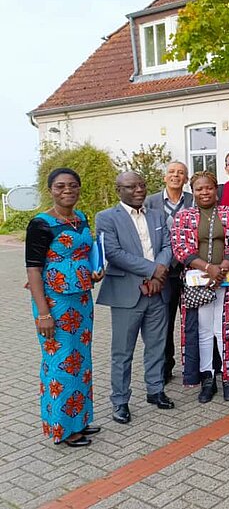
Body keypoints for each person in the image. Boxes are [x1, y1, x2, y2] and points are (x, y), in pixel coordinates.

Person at [25, 168, 103, 447]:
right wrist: (43, 313)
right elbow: (33, 270)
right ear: (51, 190)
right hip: (54, 304)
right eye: (60, 186)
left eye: (72, 185)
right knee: (60, 365)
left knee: (80, 362)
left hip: (81, 301)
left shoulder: (80, 218)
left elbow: (85, 253)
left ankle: (79, 420)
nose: (67, 190)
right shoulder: (40, 224)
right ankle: (63, 429)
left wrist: (93, 271)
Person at [96, 171, 175, 424]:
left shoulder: (157, 214)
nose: (139, 190)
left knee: (157, 346)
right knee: (122, 352)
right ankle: (120, 401)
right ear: (118, 190)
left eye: (142, 185)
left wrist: (158, 273)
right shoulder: (106, 217)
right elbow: (113, 253)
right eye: (131, 186)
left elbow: (168, 246)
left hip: (158, 291)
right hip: (126, 294)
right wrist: (152, 270)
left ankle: (155, 390)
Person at [170, 171, 229, 403]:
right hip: (198, 282)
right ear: (193, 192)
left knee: (224, 329)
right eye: (199, 189)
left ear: (216, 190)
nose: (204, 192)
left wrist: (223, 269)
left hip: (228, 280)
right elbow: (180, 248)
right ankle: (208, 378)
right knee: (204, 330)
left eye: (208, 188)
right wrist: (209, 268)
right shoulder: (184, 216)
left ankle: (228, 377)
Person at [146, 161, 193, 384]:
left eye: (181, 173)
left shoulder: (193, 200)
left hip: (190, 269)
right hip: (163, 272)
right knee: (163, 322)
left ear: (186, 179)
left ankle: (194, 366)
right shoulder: (150, 202)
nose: (176, 176)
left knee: (192, 320)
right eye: (172, 172)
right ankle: (165, 367)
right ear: (164, 177)